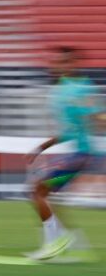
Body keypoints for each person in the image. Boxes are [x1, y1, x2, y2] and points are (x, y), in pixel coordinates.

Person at [25, 46, 100, 260]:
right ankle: (73, 243)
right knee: (48, 197)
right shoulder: (60, 91)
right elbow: (67, 132)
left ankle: (54, 244)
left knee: (38, 191)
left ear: (74, 64)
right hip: (76, 154)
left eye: (62, 62)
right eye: (54, 62)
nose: (55, 66)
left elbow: (97, 116)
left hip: (81, 155)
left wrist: (99, 117)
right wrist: (40, 148)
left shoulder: (82, 88)